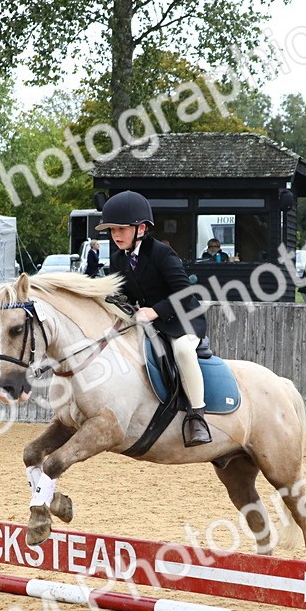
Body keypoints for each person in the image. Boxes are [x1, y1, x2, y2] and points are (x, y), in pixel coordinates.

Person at [98, 191, 211, 447]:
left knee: (182, 351)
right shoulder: (117, 259)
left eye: (121, 229)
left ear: (141, 228)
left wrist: (154, 311)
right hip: (150, 323)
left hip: (183, 319)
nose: (115, 235)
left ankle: (197, 415)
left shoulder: (162, 253)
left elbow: (184, 292)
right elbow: (123, 293)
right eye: (112, 229)